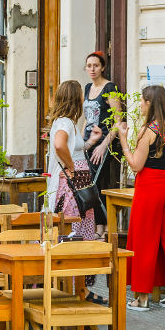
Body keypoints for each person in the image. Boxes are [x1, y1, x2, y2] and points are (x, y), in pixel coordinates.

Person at [115, 84, 165, 311]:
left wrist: (124, 142)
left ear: (149, 103)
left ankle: (143, 298)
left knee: (144, 241)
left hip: (150, 188)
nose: (140, 104)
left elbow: (137, 165)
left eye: (142, 101)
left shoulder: (149, 131)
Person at [48, 80, 103, 252]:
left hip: (78, 182)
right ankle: (73, 275)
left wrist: (91, 142)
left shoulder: (67, 121)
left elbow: (74, 150)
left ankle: (75, 275)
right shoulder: (65, 122)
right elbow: (59, 144)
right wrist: (71, 168)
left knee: (78, 222)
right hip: (72, 183)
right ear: (74, 99)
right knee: (74, 224)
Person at [81, 51, 122, 236]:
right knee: (89, 184)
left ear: (103, 67)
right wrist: (82, 142)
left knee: (99, 183)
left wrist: (104, 145)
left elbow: (118, 121)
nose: (92, 69)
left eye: (96, 65)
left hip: (104, 142)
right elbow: (86, 119)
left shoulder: (110, 87)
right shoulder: (88, 87)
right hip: (89, 142)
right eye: (89, 65)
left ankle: (104, 227)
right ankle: (97, 225)